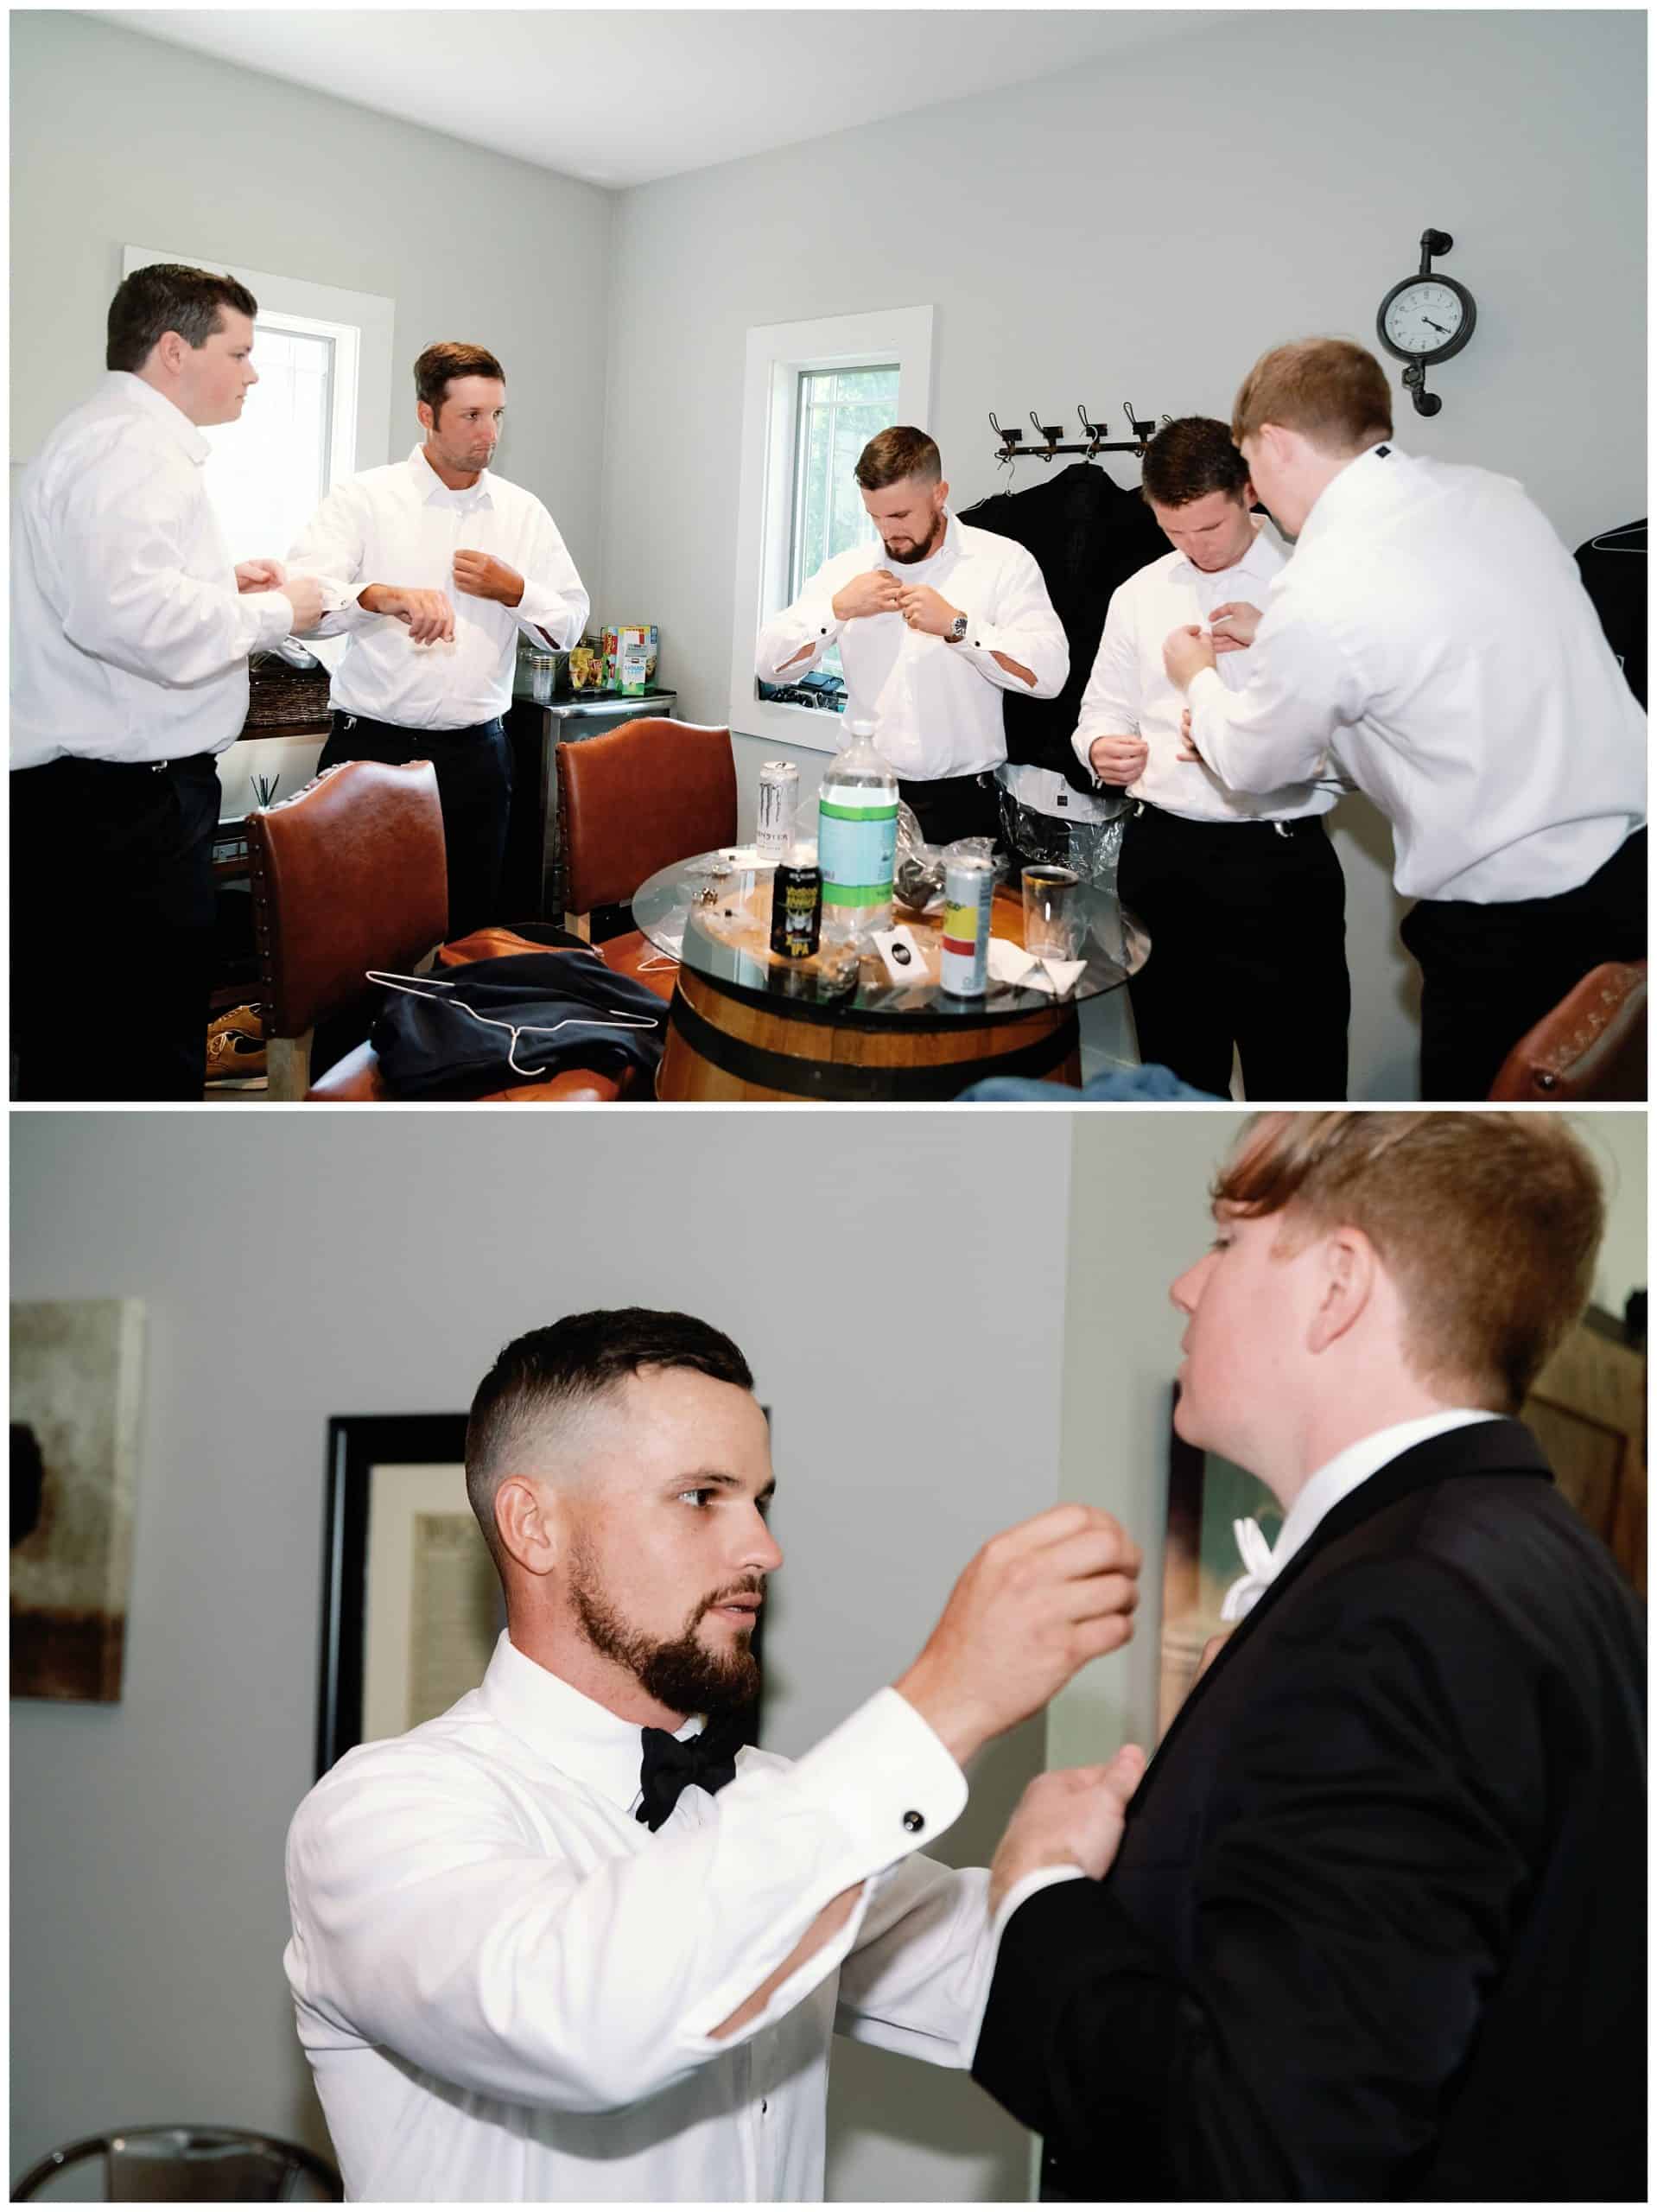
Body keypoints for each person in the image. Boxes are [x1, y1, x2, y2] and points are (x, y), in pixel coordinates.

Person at [284, 1306, 1142, 2202]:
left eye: (760, 1501)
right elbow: (585, 2021)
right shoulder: (379, 1816)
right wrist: (945, 1701)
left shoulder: (773, 1806)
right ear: (534, 1526)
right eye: (702, 1496)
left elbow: (1005, 1984)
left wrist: (1052, 1864)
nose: (762, 1549)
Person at [972, 1111, 1645, 2201]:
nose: (1187, 1286)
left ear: (1337, 1286)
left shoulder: (1401, 1608)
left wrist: (1041, 1889)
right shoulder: (1558, 1573)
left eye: (1227, 1243)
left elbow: (1263, 2144)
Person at [1160, 340, 1647, 1099]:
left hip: (1513, 929)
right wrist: (1282, 641)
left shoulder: (1325, 585)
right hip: (1630, 879)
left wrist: (1197, 680)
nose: (1253, 488)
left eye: (1249, 463)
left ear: (1278, 444)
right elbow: (1451, 679)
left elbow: (1254, 766)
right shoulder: (1494, 496)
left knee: (1476, 1167)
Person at [10, 262, 325, 1101]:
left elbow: (109, 591)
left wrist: (220, 585)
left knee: (80, 1036)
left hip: (90, 804)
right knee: (138, 1045)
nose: (254, 372)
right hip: (117, 814)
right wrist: (279, 612)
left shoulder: (102, 438)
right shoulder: (132, 450)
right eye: (241, 350)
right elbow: (127, 621)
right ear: (176, 350)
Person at [1072, 416, 1351, 1100]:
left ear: (1248, 494)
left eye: (1210, 528)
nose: (1194, 548)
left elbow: (1355, 744)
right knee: (1174, 1077)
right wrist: (1098, 749)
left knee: (1298, 1084)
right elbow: (1099, 710)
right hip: (1161, 859)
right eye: (1175, 531)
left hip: (1278, 866)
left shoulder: (1315, 586)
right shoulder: (1139, 593)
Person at [287, 342, 589, 937]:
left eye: (497, 414)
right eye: (471, 416)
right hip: (371, 750)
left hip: (479, 757)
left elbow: (567, 631)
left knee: (469, 937)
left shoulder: (523, 514)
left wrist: (516, 590)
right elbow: (303, 605)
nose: (489, 433)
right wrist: (377, 596)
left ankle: (450, 1030)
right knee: (356, 936)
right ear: (427, 414)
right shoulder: (365, 498)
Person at [755, 427, 1069, 848]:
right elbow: (769, 666)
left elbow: (1050, 675)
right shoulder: (849, 569)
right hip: (861, 793)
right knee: (852, 912)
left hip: (963, 800)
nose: (887, 532)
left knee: (954, 916)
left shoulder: (1002, 562)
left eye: (900, 516)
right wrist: (837, 609)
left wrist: (960, 627)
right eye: (875, 517)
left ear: (939, 494)